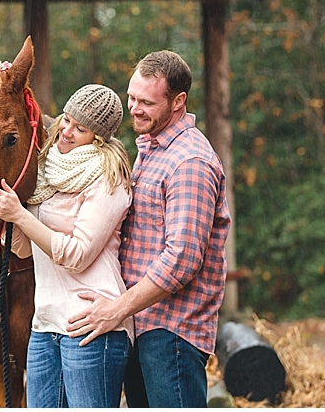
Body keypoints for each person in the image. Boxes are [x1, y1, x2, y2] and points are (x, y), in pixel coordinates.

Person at [67, 51, 230, 408]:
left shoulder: (190, 161)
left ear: (178, 101)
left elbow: (182, 259)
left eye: (146, 102)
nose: (134, 109)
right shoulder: (152, 149)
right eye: (131, 97)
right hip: (142, 325)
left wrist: (117, 308)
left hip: (171, 333)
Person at [0, 84, 134, 408]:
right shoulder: (48, 168)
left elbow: (76, 254)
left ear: (99, 138)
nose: (66, 130)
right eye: (67, 119)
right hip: (45, 323)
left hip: (91, 325)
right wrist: (0, 217)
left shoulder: (108, 177)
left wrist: (19, 214)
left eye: (81, 128)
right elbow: (24, 249)